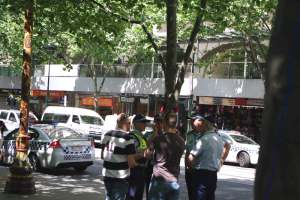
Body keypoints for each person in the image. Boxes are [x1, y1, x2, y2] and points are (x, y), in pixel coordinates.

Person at [185, 114, 231, 200]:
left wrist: (192, 167)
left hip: (200, 174)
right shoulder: (218, 138)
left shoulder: (204, 139)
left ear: (205, 124)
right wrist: (220, 162)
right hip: (212, 175)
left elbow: (190, 158)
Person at [147, 112, 185, 200]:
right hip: (174, 181)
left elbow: (147, 154)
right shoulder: (181, 141)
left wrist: (154, 134)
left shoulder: (158, 139)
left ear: (164, 123)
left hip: (159, 179)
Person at [101, 113, 137, 200]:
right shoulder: (128, 138)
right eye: (128, 123)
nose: (130, 125)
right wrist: (138, 165)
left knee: (109, 197)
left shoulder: (107, 134)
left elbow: (102, 155)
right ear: (122, 123)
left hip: (107, 175)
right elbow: (131, 162)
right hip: (120, 177)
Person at [126, 114, 150, 200]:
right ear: (136, 123)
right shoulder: (132, 136)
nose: (145, 124)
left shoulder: (141, 136)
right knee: (133, 196)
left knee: (138, 196)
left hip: (141, 170)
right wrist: (143, 155)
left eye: (145, 122)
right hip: (135, 170)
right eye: (143, 122)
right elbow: (130, 156)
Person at [144, 114, 164, 200]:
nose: (158, 124)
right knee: (149, 188)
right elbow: (145, 146)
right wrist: (154, 134)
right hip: (150, 165)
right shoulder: (148, 134)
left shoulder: (166, 135)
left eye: (160, 122)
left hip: (162, 166)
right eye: (156, 122)